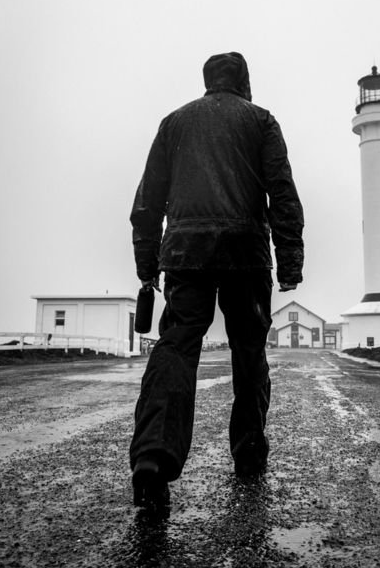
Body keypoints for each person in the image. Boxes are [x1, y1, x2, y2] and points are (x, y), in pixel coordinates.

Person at [129, 51, 304, 507]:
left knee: (178, 344)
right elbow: (282, 193)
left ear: (208, 80)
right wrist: (289, 262)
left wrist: (147, 266)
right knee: (249, 349)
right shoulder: (260, 120)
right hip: (246, 253)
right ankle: (248, 452)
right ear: (243, 81)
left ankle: (153, 454)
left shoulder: (174, 123)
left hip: (186, 252)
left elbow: (148, 201)